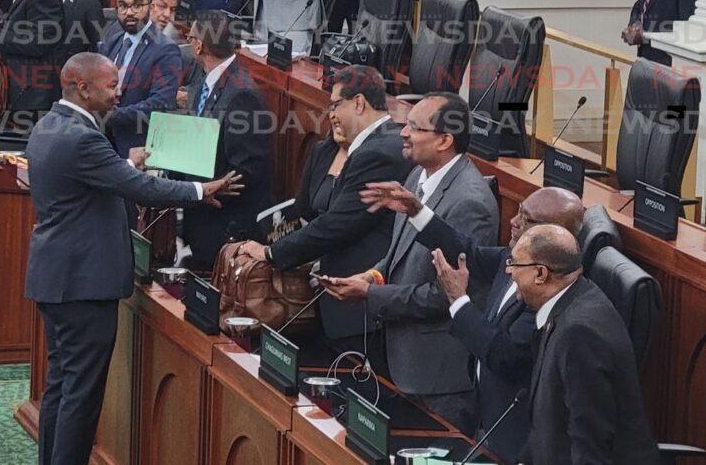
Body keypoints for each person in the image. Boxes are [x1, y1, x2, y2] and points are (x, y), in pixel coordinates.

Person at [24, 52, 242, 465]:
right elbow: (142, 189)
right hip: (83, 285)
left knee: (61, 386)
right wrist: (202, 190)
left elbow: (91, 179)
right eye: (110, 84)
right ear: (83, 88)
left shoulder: (50, 125)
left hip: (56, 278)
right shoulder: (84, 137)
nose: (119, 90)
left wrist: (125, 162)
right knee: (81, 395)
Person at [360, 183, 584, 464]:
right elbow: (469, 253)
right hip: (486, 419)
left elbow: (505, 356)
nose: (513, 222)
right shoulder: (515, 256)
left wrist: (458, 299)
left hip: (513, 437)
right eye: (518, 212)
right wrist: (416, 211)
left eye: (526, 219)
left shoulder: (545, 294)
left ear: (553, 235)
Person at [322, 92, 498, 435]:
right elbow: (399, 252)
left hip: (438, 378)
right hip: (402, 362)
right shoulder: (417, 176)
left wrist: (370, 295)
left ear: (445, 140)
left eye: (414, 127)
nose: (402, 132)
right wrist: (374, 274)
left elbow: (444, 295)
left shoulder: (470, 202)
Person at [237, 65, 411, 350]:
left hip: (359, 311)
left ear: (358, 102)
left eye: (335, 105)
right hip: (337, 303)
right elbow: (306, 213)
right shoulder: (370, 146)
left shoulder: (378, 152)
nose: (330, 114)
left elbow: (337, 225)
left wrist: (269, 253)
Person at [507, 225, 659, 465]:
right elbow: (547, 427)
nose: (509, 271)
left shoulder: (579, 335)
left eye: (514, 263)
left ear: (540, 274)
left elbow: (590, 444)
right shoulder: (570, 302)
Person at [181, 11, 272, 268]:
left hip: (225, 224)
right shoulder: (203, 79)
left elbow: (247, 169)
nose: (189, 42)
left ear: (199, 45)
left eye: (190, 37)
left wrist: (205, 190)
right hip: (201, 213)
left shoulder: (243, 95)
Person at [98, 0, 181, 158]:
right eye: (123, 6)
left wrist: (112, 116)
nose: (129, 12)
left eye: (137, 5)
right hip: (101, 140)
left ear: (150, 7)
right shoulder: (114, 36)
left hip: (136, 147)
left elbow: (161, 104)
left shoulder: (165, 48)